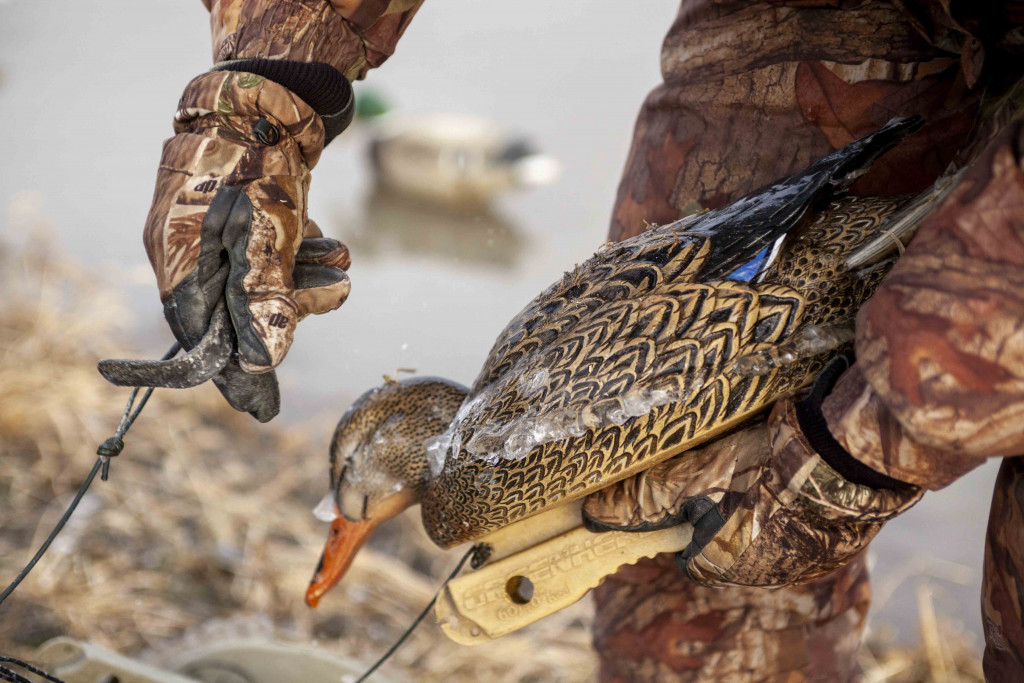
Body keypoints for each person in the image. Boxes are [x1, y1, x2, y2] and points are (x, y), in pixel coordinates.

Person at [142, 1, 1023, 680]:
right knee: (678, 577)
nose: (342, 525)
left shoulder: (475, 489)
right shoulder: (493, 432)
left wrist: (851, 451)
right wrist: (258, 100)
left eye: (348, 494)